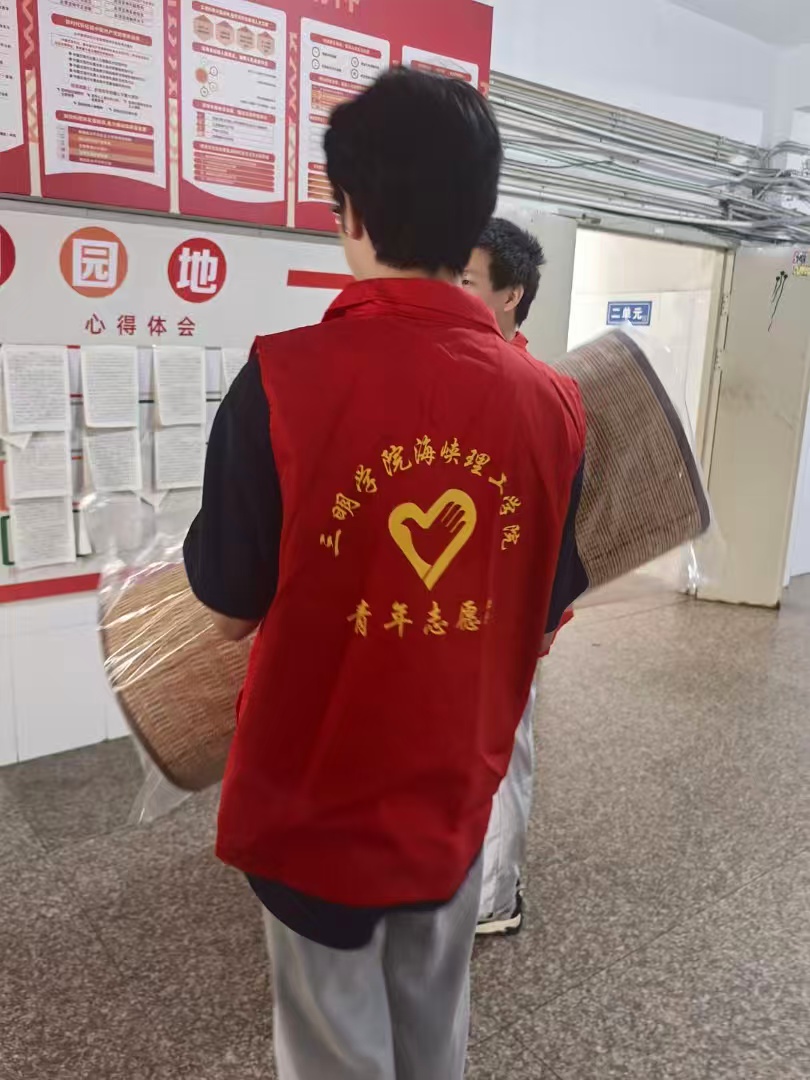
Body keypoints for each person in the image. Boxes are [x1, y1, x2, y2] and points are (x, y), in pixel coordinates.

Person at [184, 69, 587, 1080]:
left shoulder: (280, 380)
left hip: (314, 803)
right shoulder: (551, 403)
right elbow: (542, 619)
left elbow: (225, 609)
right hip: (453, 795)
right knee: (433, 1025)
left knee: (332, 1045)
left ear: (350, 213)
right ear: (476, 216)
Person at [461, 217, 571, 936]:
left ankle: (494, 899)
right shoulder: (446, 373)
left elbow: (562, 524)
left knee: (500, 754)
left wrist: (544, 622)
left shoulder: (542, 393)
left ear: (512, 296)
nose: (450, 291)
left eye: (467, 281)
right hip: (437, 607)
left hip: (503, 615)